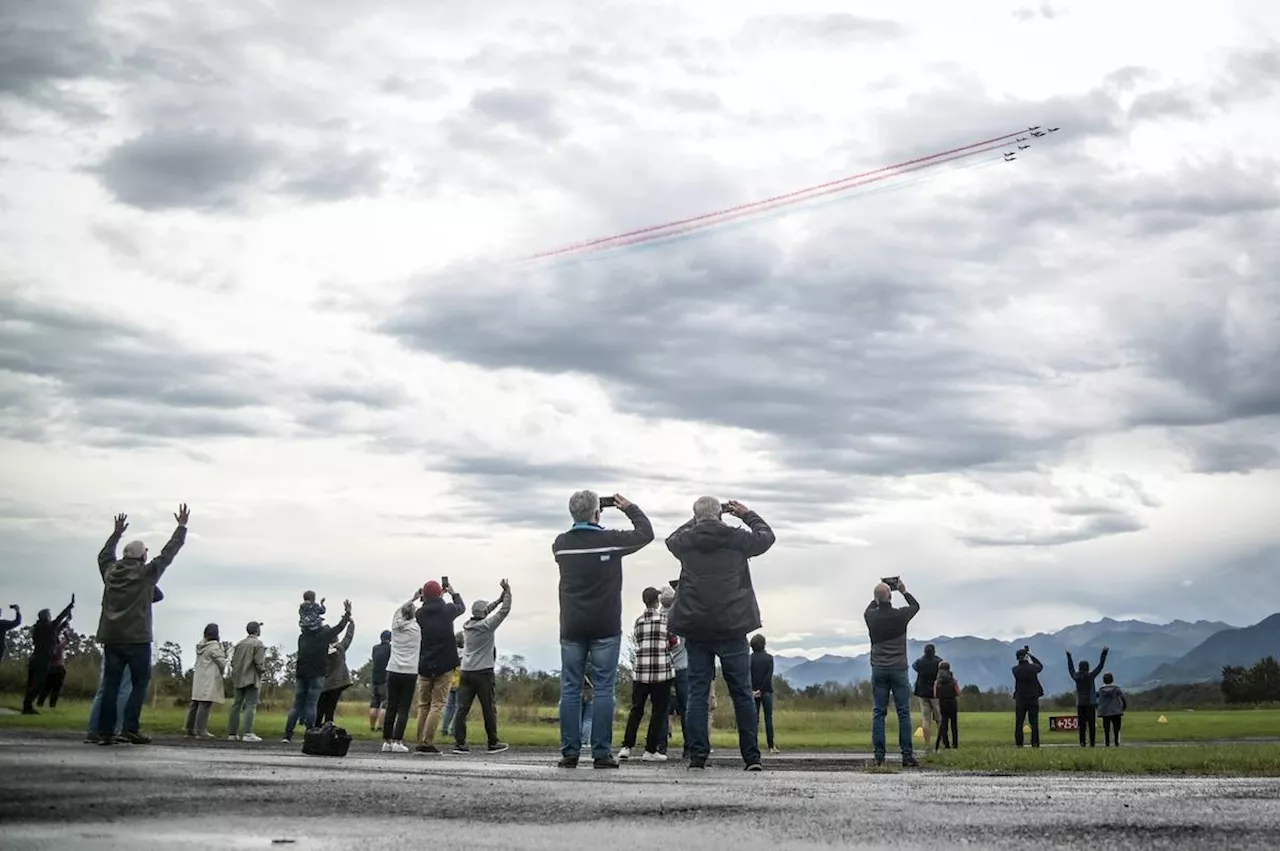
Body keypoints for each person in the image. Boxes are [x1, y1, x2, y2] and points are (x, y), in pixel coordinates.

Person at [667, 497, 775, 772]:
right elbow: (767, 537)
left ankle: (698, 756)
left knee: (697, 693)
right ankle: (752, 757)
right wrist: (746, 513)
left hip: (697, 627)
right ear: (721, 515)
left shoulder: (686, 542)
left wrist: (698, 519)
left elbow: (671, 539)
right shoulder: (737, 538)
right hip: (732, 624)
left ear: (695, 516)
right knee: (742, 693)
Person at [553, 490, 655, 769]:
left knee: (571, 688)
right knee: (603, 689)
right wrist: (629, 508)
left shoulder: (561, 544)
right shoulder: (609, 541)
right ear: (597, 513)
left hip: (572, 624)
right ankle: (601, 752)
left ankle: (570, 751)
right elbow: (646, 533)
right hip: (605, 623)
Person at [95, 505, 189, 745]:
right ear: (142, 556)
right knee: (139, 685)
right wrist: (181, 528)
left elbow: (104, 555)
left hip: (111, 636)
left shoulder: (110, 572)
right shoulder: (147, 574)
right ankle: (130, 728)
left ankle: (105, 732)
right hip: (137, 637)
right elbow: (168, 554)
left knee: (110, 685)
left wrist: (116, 534)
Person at [85, 586, 162, 744]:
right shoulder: (138, 586)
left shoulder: (114, 583)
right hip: (131, 638)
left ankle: (96, 729)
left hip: (111, 637)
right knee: (126, 687)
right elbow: (158, 595)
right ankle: (118, 729)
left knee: (107, 687)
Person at [864, 579, 921, 768]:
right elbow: (915, 606)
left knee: (879, 713)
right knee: (903, 712)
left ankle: (879, 757)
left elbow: (869, 608)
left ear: (875, 599)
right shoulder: (900, 615)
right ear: (890, 596)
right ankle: (907, 756)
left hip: (879, 669)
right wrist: (903, 590)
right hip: (898, 668)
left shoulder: (870, 617)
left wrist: (878, 596)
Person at [454, 580, 513, 754]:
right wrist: (508, 593)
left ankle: (460, 743)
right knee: (488, 708)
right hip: (483, 673)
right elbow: (504, 611)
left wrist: (500, 598)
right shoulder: (487, 626)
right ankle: (493, 742)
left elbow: (486, 611)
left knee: (462, 709)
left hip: (466, 671)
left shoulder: (468, 626)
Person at [283, 599, 352, 743]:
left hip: (301, 673)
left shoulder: (302, 637)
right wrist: (347, 615)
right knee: (311, 705)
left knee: (297, 705)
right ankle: (310, 733)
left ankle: (287, 735)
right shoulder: (326, 638)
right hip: (317, 674)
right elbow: (340, 629)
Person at [619, 587, 674, 762]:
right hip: (661, 671)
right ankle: (650, 749)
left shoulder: (638, 621)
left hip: (641, 671)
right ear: (657, 600)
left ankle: (626, 746)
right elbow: (674, 641)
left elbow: (638, 640)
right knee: (659, 711)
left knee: (636, 709)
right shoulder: (665, 620)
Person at [414, 580, 466, 754]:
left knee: (424, 705)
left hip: (425, 664)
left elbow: (428, 605)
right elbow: (461, 606)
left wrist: (429, 598)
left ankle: (420, 740)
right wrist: (452, 593)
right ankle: (427, 743)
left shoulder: (420, 613)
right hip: (444, 664)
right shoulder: (448, 610)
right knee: (437, 705)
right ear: (440, 594)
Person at [381, 594, 421, 754]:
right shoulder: (417, 629)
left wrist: (413, 597)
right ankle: (398, 740)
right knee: (404, 708)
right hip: (409, 671)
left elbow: (398, 611)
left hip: (393, 669)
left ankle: (386, 741)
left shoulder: (395, 626)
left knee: (391, 706)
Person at [22, 595, 75, 714]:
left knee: (32, 683)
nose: (51, 618)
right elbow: (58, 621)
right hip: (43, 660)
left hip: (35, 658)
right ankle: (27, 706)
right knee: (39, 684)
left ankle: (27, 706)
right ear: (46, 617)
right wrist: (69, 607)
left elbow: (56, 629)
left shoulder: (41, 627)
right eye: (49, 615)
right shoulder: (46, 627)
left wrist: (67, 620)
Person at [660, 585, 688, 758]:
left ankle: (661, 744)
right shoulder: (681, 616)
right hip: (682, 666)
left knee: (662, 708)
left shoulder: (657, 618)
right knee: (686, 708)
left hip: (663, 666)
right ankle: (690, 746)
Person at [184, 623, 227, 738]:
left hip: (199, 677)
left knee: (195, 702)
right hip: (209, 677)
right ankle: (201, 729)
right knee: (205, 703)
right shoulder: (214, 647)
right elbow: (221, 662)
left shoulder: (200, 646)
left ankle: (190, 728)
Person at [228, 621, 266, 742]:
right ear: (256, 630)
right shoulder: (258, 644)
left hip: (238, 677)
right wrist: (262, 670)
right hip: (252, 678)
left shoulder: (239, 644)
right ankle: (248, 733)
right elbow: (259, 662)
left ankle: (232, 733)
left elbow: (233, 661)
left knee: (236, 705)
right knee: (251, 705)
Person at [1066, 646, 1110, 748]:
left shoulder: (1076, 677)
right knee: (1091, 724)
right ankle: (1092, 743)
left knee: (1082, 725)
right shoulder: (1091, 676)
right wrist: (1104, 654)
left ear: (1079, 667)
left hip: (1080, 703)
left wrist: (1069, 657)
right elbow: (1100, 666)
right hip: (1090, 703)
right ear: (1088, 667)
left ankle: (1082, 742)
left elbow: (1071, 669)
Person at [316, 618, 356, 725]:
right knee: (330, 709)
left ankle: (315, 731)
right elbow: (348, 637)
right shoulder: (340, 648)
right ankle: (328, 730)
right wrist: (351, 625)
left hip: (324, 685)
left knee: (319, 709)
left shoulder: (319, 650)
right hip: (338, 683)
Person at [750, 634, 778, 754]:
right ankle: (771, 746)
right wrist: (761, 690)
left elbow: (748, 676)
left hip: (752, 692)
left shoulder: (749, 659)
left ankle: (753, 745)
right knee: (768, 718)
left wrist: (753, 690)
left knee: (754, 720)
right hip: (766, 691)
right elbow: (768, 676)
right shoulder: (769, 658)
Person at [1012, 646, 1045, 748]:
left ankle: (1019, 743)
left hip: (1020, 700)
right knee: (1034, 723)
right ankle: (1035, 743)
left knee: (1019, 723)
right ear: (1026, 657)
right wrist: (1031, 655)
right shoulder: (1033, 668)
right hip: (1033, 699)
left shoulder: (1015, 670)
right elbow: (1040, 666)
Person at [912, 643, 942, 753]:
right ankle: (942, 741)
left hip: (923, 693)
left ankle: (927, 744)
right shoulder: (938, 662)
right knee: (939, 719)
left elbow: (914, 666)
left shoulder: (920, 662)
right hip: (935, 694)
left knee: (926, 720)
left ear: (924, 652)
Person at [38, 628, 73, 708]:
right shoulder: (59, 647)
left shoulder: (48, 649)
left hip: (50, 669)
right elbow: (67, 640)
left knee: (47, 688)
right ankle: (52, 705)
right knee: (56, 689)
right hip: (59, 668)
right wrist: (65, 634)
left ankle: (40, 703)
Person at [441, 633, 463, 739]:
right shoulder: (465, 653)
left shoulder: (450, 652)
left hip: (450, 682)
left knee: (449, 707)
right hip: (461, 682)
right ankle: (454, 730)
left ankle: (444, 728)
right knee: (459, 707)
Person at [933, 661, 960, 750]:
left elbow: (935, 694)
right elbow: (957, 692)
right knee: (954, 725)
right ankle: (955, 744)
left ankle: (946, 744)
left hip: (942, 703)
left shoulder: (937, 682)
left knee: (944, 724)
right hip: (952, 702)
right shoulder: (953, 680)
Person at [369, 630, 392, 732]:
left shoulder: (375, 648)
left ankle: (372, 726)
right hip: (385, 679)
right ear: (390, 639)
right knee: (384, 705)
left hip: (375, 679)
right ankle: (380, 726)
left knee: (374, 704)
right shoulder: (391, 649)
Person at [1097, 672, 1128, 747]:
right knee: (1117, 728)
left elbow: (1094, 698)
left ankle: (1107, 743)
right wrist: (1123, 707)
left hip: (1105, 712)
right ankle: (1116, 742)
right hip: (1116, 711)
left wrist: (1098, 707)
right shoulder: (1116, 689)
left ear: (1103, 680)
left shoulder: (1100, 690)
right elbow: (1123, 698)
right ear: (1112, 680)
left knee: (1106, 729)